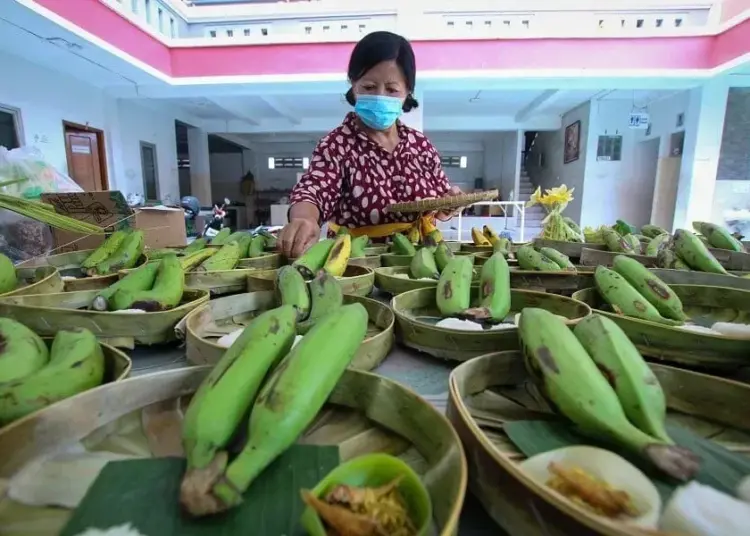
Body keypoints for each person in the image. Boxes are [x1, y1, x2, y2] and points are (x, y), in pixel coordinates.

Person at [278, 31, 461, 258]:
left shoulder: (421, 145)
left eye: (392, 89)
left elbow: (440, 198)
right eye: (369, 87)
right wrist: (304, 219)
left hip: (423, 257)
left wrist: (449, 201)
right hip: (357, 262)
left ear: (408, 91)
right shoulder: (335, 145)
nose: (379, 96)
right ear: (353, 85)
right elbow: (313, 191)